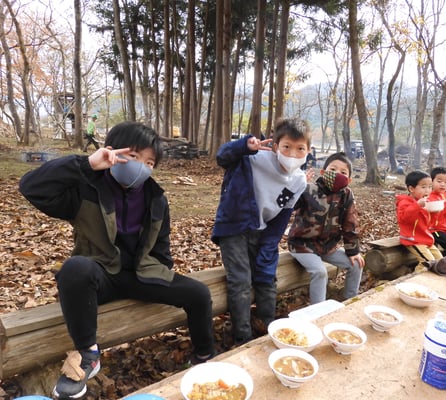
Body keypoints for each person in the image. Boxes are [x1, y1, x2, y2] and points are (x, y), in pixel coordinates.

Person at [19, 122, 215, 399]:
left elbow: (161, 248)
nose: (141, 167)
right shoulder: (86, 188)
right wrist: (87, 164)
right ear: (111, 152)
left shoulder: (156, 198)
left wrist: (159, 278)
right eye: (134, 156)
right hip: (100, 274)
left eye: (149, 162)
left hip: (141, 275)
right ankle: (88, 355)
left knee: (199, 293)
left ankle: (204, 358)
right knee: (75, 268)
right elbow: (31, 187)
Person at [211, 118, 310, 345]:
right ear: (275, 146)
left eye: (300, 149)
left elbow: (282, 217)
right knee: (241, 281)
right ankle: (243, 338)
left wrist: (269, 246)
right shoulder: (254, 158)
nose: (292, 154)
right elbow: (222, 157)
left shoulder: (298, 180)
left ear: (308, 150)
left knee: (267, 278)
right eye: (286, 147)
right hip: (233, 227)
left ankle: (270, 331)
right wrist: (244, 145)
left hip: (263, 231)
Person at [288, 152, 365, 305]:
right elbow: (288, 205)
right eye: (333, 169)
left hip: (328, 246)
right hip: (302, 245)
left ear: (349, 180)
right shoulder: (309, 189)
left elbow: (350, 223)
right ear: (323, 172)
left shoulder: (346, 195)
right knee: (320, 272)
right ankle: (319, 312)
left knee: (357, 264)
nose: (337, 174)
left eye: (343, 172)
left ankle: (350, 302)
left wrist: (353, 251)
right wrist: (297, 187)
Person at [396, 170, 443, 271]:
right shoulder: (405, 203)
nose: (428, 190)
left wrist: (435, 211)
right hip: (412, 239)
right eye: (423, 187)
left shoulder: (424, 203)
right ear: (411, 189)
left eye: (430, 187)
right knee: (428, 263)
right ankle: (414, 278)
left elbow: (430, 223)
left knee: (441, 262)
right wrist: (417, 206)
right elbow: (403, 219)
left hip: (426, 238)